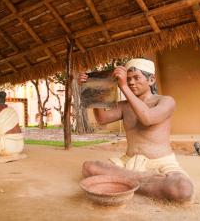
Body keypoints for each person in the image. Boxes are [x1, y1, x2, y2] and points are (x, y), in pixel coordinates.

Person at [80, 58, 193, 202]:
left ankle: (125, 181)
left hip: (161, 162)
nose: (131, 82)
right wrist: (92, 88)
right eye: (128, 79)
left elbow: (148, 118)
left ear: (151, 80)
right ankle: (143, 179)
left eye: (136, 77)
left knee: (182, 189)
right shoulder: (124, 106)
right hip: (128, 162)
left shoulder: (165, 101)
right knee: (89, 167)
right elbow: (102, 119)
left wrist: (123, 87)